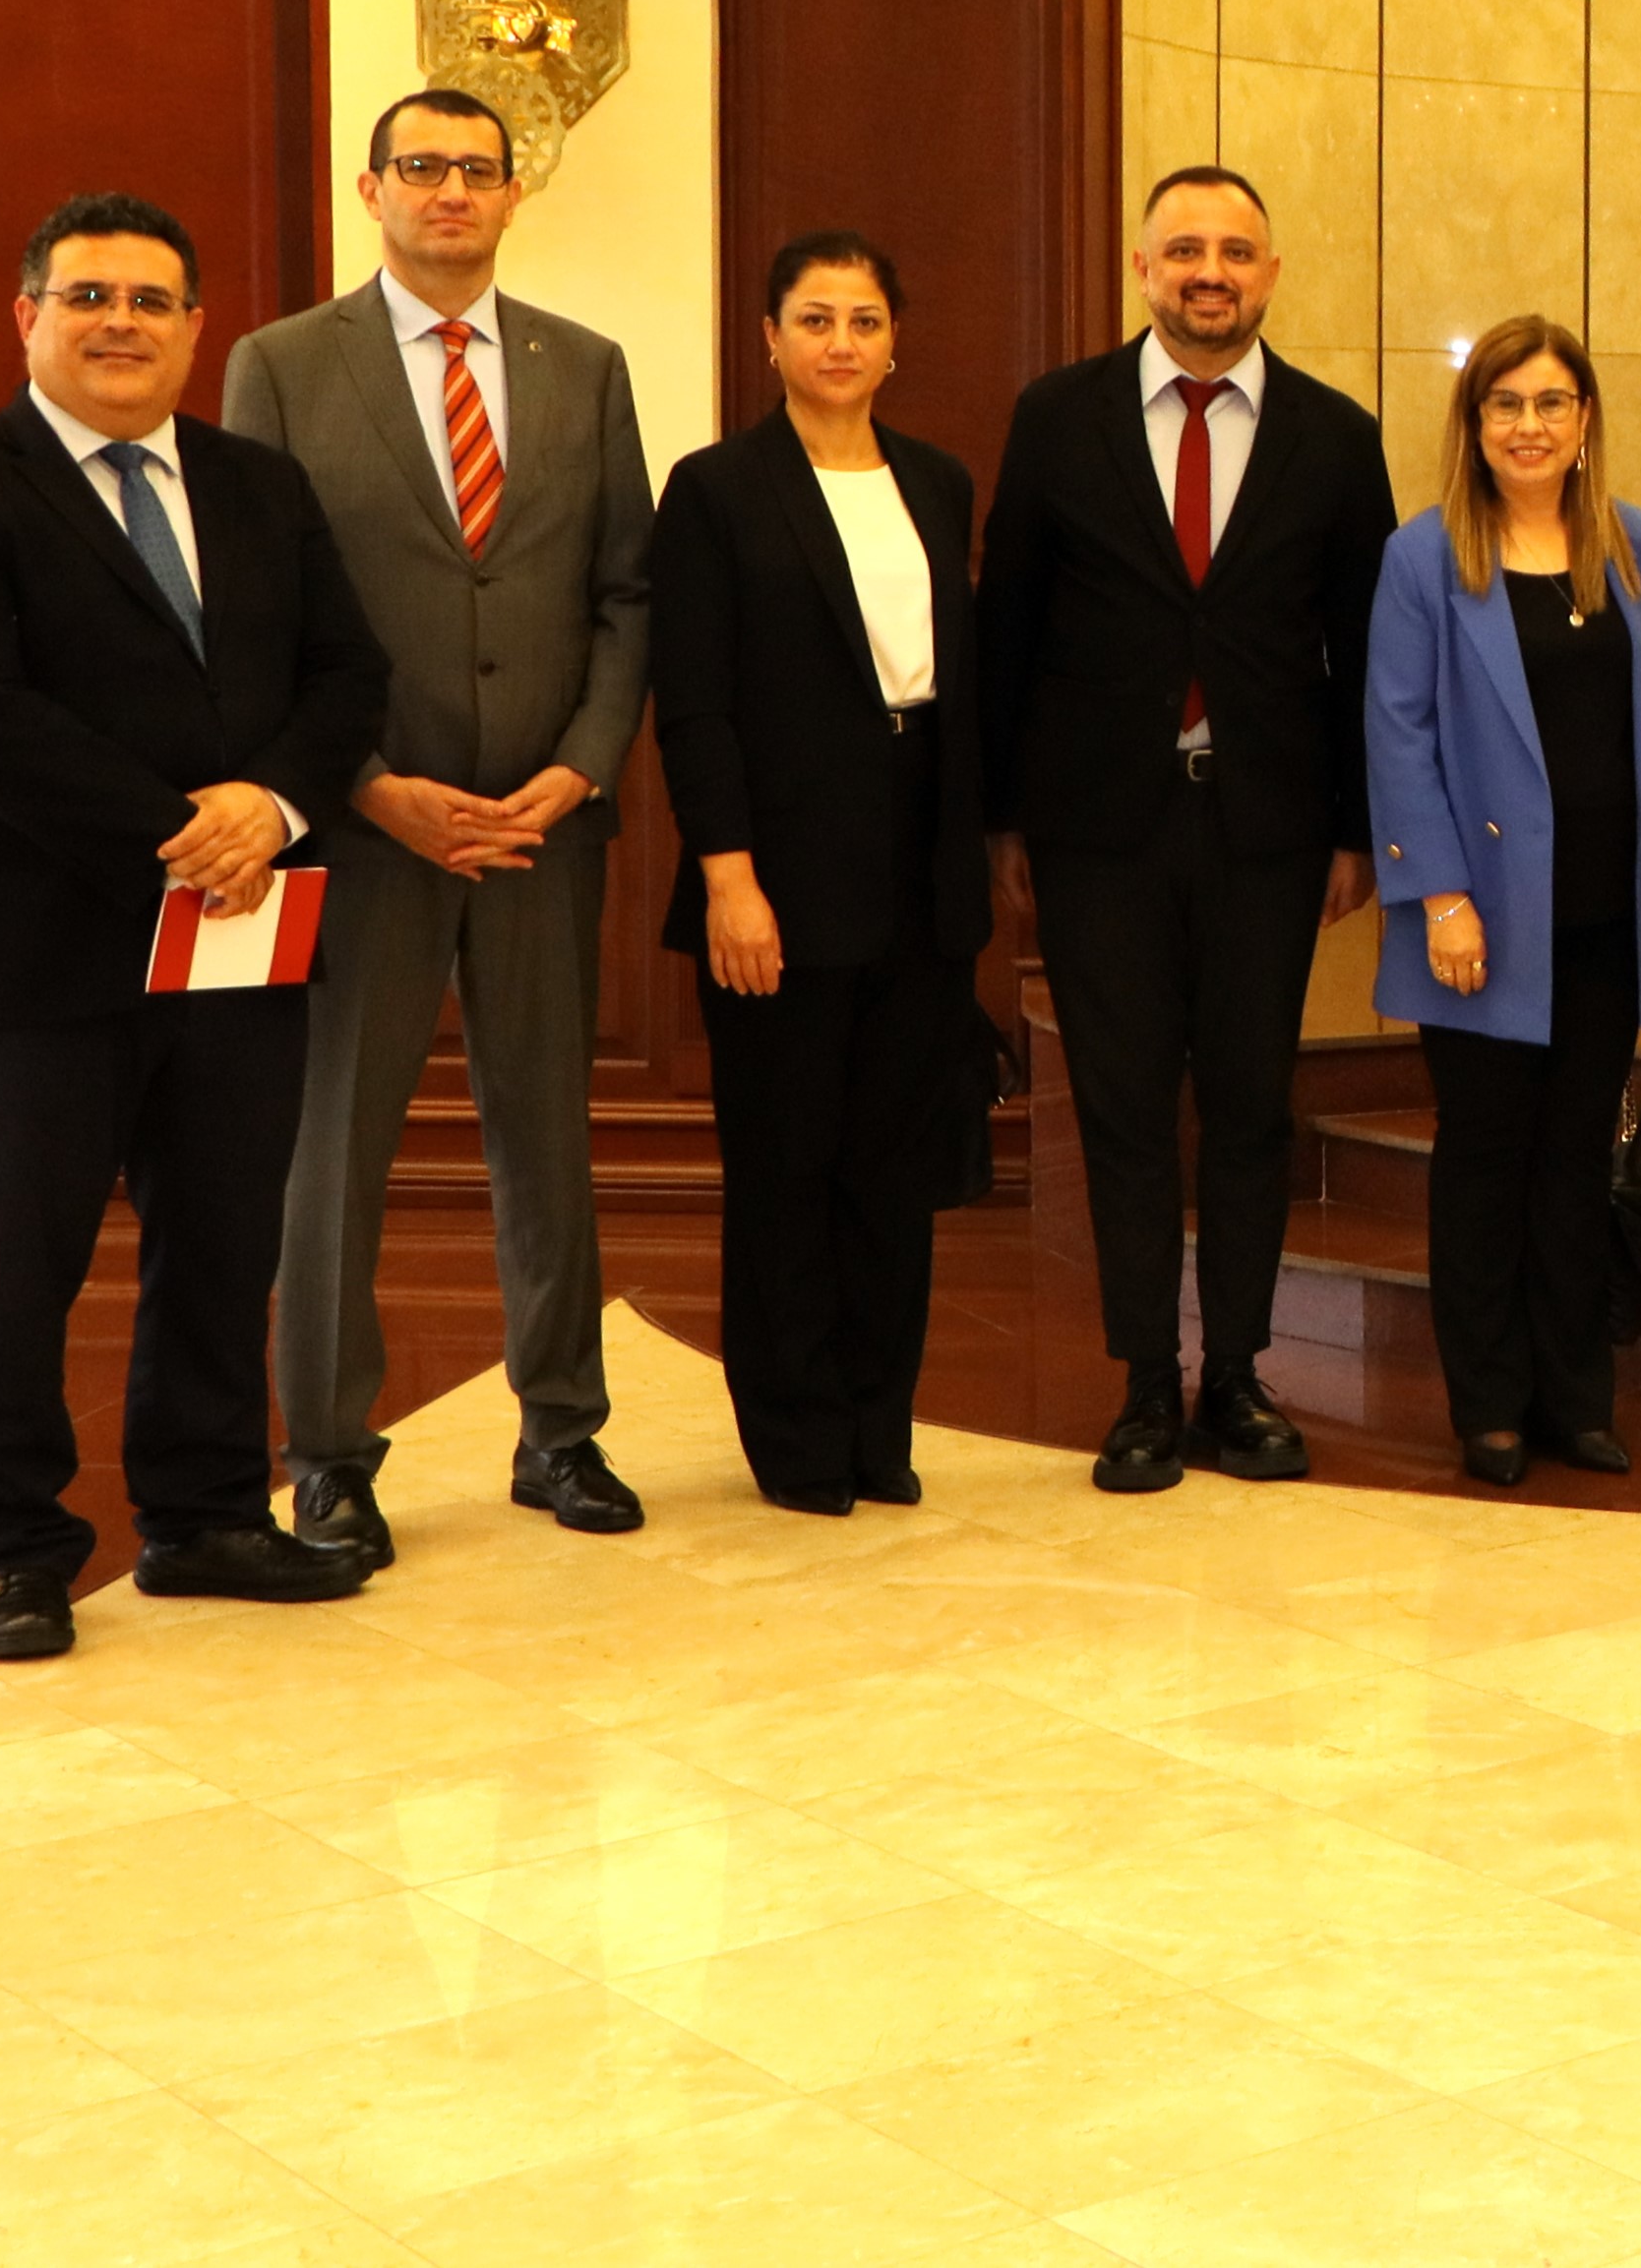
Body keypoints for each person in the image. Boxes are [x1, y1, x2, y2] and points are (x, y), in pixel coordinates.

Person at [0, 194, 387, 1659]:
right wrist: (180, 833)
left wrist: (270, 807)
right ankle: (11, 1548)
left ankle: (205, 1512)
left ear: (196, 329)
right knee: (9, 1270)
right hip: (40, 953)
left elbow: (348, 675)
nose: (120, 324)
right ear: (25, 316)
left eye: (152, 301)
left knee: (223, 1246)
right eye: (87, 295)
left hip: (239, 941)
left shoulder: (261, 486)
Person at [216, 87, 655, 1567]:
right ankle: (330, 1453)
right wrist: (365, 785)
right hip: (365, 829)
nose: (450, 190)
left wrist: (580, 766)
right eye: (422, 167)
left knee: (548, 1135)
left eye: (477, 169)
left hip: (540, 828)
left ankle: (562, 1429)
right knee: (335, 1144)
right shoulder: (283, 365)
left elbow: (625, 594)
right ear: (372, 189)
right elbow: (255, 612)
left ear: (514, 194)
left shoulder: (584, 367)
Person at [973, 166, 1398, 1496]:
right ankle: (1147, 1382)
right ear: (1142, 267)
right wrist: (1001, 816)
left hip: (1270, 829)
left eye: (1235, 250)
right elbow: (1008, 622)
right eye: (1184, 249)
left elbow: (1368, 650)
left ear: (1269, 272)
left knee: (1253, 1106)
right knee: (1122, 1110)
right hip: (1098, 829)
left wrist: (1356, 828)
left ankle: (1240, 1377)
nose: (1210, 271)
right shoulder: (1059, 417)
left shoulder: (1336, 436)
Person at [648, 233, 991, 1518]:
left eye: (863, 320)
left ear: (894, 342)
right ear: (770, 339)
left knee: (891, 1174)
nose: (840, 342)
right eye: (814, 318)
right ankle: (795, 1437)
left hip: (918, 866)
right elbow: (694, 703)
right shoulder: (717, 489)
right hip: (779, 873)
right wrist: (728, 879)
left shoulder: (938, 481)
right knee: (786, 1168)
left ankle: (875, 1423)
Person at [1367, 317, 1641, 1486]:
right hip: (1483, 920)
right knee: (1486, 1161)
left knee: (1575, 1161)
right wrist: (1440, 897)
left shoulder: (1632, 542)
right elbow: (1396, 732)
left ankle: (1574, 1400)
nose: (1529, 425)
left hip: (1605, 911)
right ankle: (1489, 1407)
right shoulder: (1424, 556)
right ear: (1474, 423)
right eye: (1504, 404)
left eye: (1551, 402)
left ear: (1584, 419)